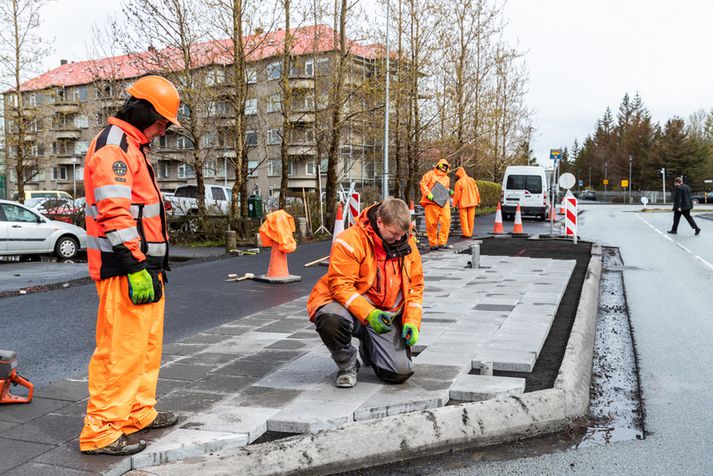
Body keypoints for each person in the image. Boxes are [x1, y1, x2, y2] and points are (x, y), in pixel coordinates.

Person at [79, 76, 181, 455]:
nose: (162, 131)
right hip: (126, 268)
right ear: (143, 112)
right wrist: (135, 264)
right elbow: (115, 212)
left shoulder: (132, 147)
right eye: (161, 124)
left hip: (145, 267)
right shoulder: (114, 147)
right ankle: (101, 431)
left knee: (145, 348)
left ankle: (138, 412)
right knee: (120, 352)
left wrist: (147, 265)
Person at [307, 198, 424, 388]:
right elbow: (340, 286)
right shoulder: (349, 241)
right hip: (353, 309)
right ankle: (347, 365)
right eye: (394, 234)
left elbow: (415, 287)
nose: (399, 239)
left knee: (399, 373)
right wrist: (369, 314)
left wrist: (412, 321)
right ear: (379, 222)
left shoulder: (407, 244)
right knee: (330, 317)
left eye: (402, 234)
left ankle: (370, 346)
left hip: (385, 314)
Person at [419, 158, 452, 250]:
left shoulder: (447, 178)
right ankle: (433, 243)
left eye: (446, 167)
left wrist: (449, 191)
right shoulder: (430, 174)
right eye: (443, 166)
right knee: (431, 224)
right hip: (431, 202)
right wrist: (428, 193)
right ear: (439, 165)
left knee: (446, 221)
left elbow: (445, 189)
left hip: (443, 203)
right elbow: (422, 184)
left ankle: (442, 242)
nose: (444, 168)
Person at [452, 166, 481, 238]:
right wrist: (478, 200)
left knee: (463, 219)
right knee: (471, 219)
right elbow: (476, 191)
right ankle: (470, 233)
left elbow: (457, 195)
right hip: (472, 202)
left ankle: (466, 233)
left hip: (463, 203)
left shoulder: (458, 182)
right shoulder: (472, 180)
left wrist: (454, 204)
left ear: (458, 175)